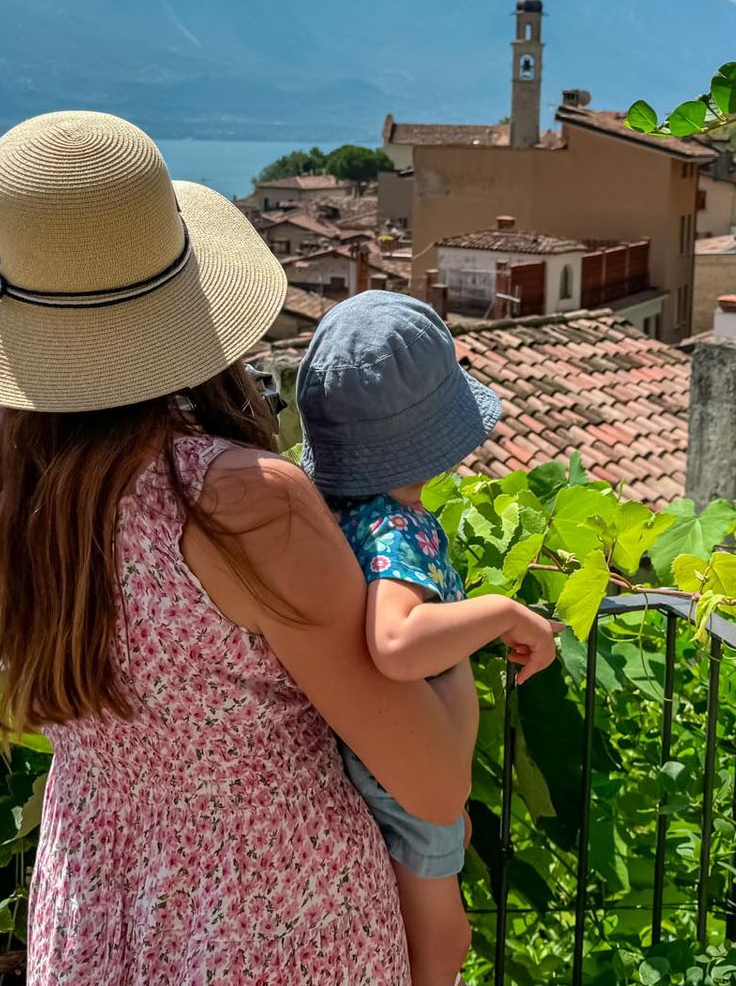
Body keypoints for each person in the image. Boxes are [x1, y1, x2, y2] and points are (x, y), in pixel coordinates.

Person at [0, 111, 472, 985]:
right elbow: (431, 785)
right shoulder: (240, 503)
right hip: (276, 911)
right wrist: (459, 631)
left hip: (95, 883)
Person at [296, 291, 563, 986]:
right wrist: (503, 612)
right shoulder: (397, 528)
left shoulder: (329, 514)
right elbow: (397, 642)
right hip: (400, 768)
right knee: (445, 945)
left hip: (367, 757)